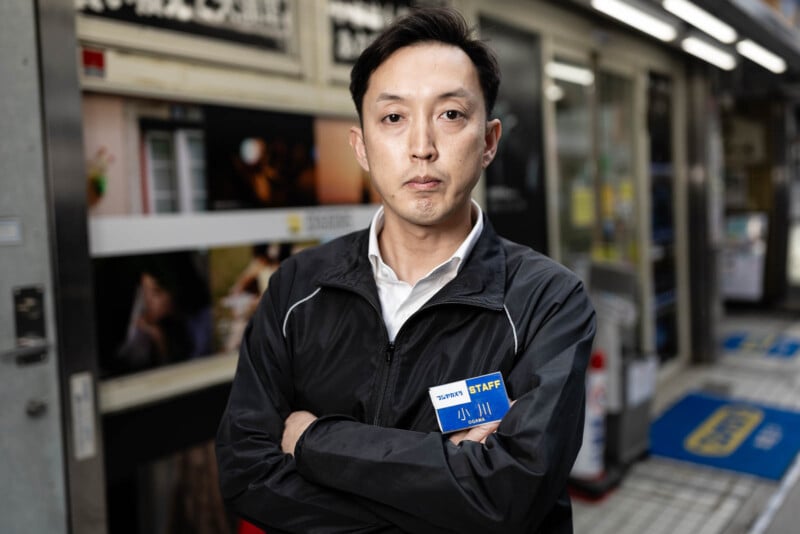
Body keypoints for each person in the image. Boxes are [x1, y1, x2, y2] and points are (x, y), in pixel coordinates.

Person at [216, 6, 596, 533]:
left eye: (450, 115)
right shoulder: (298, 289)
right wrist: (446, 484)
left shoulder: (547, 301)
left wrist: (310, 441)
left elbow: (511, 494)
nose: (422, 148)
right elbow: (245, 474)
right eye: (393, 118)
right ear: (362, 146)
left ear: (487, 142)